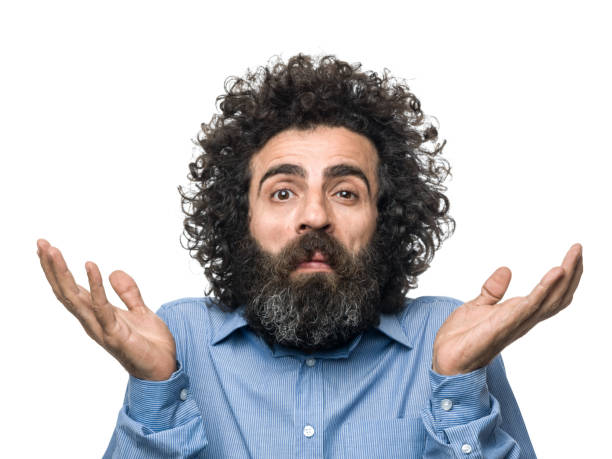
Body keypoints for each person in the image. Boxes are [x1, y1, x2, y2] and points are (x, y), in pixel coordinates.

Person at [37, 54, 583, 458]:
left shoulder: (450, 335)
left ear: (385, 218)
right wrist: (157, 393)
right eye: (282, 192)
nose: (315, 215)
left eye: (346, 192)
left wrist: (456, 384)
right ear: (239, 216)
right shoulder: (179, 339)